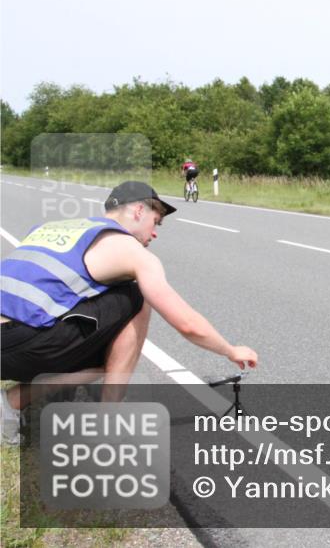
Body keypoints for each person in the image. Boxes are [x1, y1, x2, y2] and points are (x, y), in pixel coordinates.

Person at [0, 181, 258, 444]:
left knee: (107, 349)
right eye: (156, 222)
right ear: (137, 211)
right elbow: (186, 323)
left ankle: (12, 403)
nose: (155, 233)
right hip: (20, 343)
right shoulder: (130, 250)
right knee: (137, 300)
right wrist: (230, 350)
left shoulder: (54, 228)